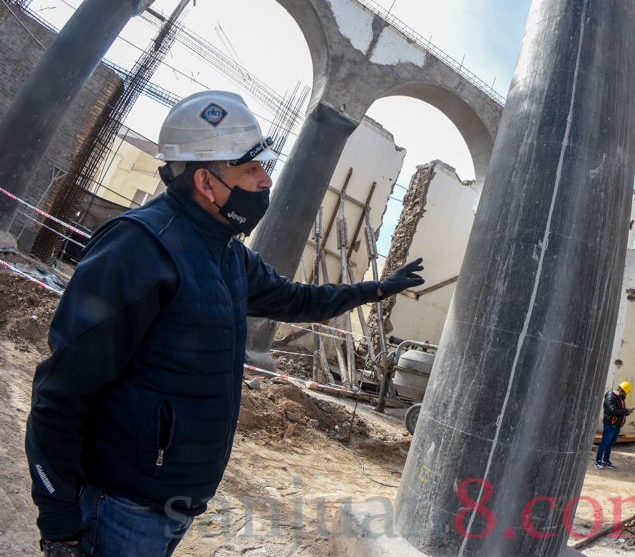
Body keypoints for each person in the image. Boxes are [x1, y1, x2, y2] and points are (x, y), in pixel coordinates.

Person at [25, 91, 425, 557]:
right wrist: (58, 524)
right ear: (207, 182)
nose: (266, 179)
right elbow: (62, 392)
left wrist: (373, 290)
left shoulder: (227, 252)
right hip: (123, 507)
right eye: (251, 169)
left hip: (175, 501)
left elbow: (296, 299)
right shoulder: (140, 248)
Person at [595, 381, 635, 469]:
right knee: (604, 443)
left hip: (617, 425)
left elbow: (621, 410)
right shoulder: (610, 397)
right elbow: (612, 410)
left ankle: (606, 460)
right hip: (610, 424)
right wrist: (625, 411)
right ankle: (598, 461)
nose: (625, 395)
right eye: (625, 393)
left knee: (610, 443)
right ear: (621, 390)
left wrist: (628, 412)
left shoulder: (620, 398)